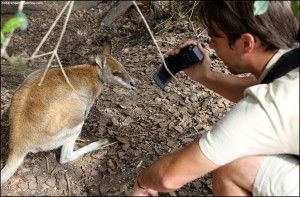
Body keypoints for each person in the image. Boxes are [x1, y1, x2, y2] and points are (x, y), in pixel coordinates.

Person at [132, 1, 299, 196]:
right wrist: (204, 75)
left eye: (214, 37)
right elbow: (262, 88)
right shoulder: (290, 56)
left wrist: (143, 183)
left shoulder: (267, 108)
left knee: (232, 166)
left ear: (246, 43)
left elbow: (168, 178)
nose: (210, 44)